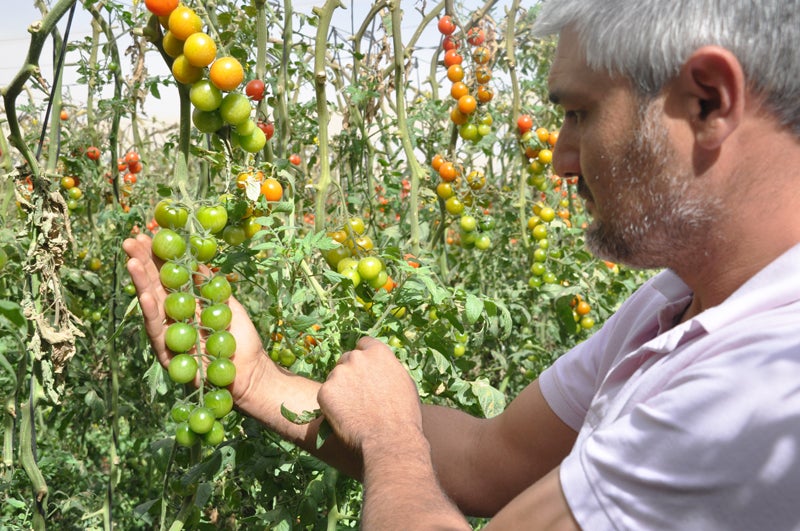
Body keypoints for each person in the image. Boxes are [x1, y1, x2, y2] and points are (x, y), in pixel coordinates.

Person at [124, 0, 800, 528]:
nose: (560, 158)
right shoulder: (674, 305)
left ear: (708, 99)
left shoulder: (758, 393)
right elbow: (486, 458)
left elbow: (423, 462)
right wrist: (256, 380)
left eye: (581, 113)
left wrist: (392, 439)